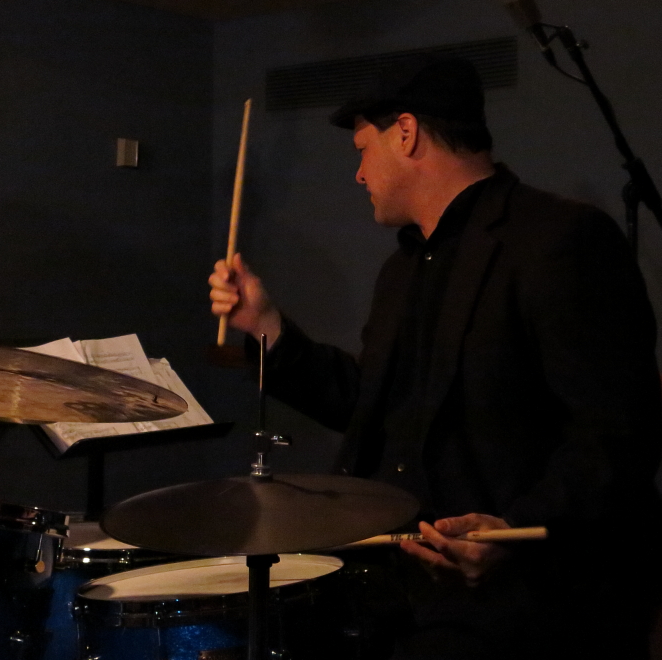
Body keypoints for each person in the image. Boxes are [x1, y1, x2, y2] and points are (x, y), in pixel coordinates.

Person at [209, 55, 662, 659]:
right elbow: (373, 404)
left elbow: (618, 431)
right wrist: (265, 325)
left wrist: (515, 531)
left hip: (523, 607)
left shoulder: (561, 238)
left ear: (406, 132)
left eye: (362, 151)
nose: (358, 175)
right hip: (403, 596)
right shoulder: (402, 269)